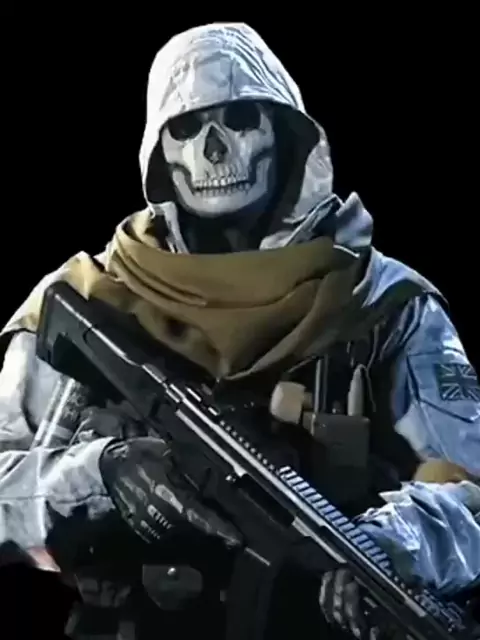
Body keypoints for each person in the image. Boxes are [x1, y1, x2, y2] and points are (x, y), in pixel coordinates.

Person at [0, 22, 479, 640]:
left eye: (241, 119)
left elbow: (470, 488)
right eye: (187, 128)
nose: (214, 151)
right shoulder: (92, 299)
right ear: (159, 152)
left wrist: (388, 547)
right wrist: (101, 474)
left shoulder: (381, 300)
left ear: (285, 134)